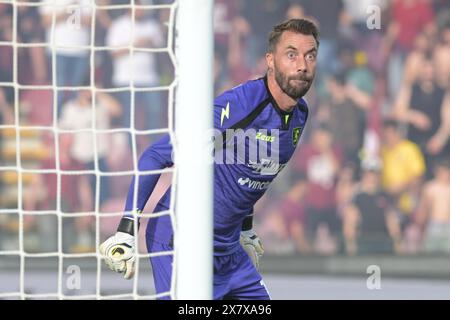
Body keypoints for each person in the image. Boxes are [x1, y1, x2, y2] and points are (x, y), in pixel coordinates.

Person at [100, 18, 319, 300]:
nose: (302, 65)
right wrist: (127, 230)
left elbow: (248, 172)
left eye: (309, 55)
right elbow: (155, 155)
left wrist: (246, 230)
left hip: (228, 250)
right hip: (181, 240)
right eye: (291, 55)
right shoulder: (241, 107)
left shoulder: (300, 115)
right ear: (270, 61)